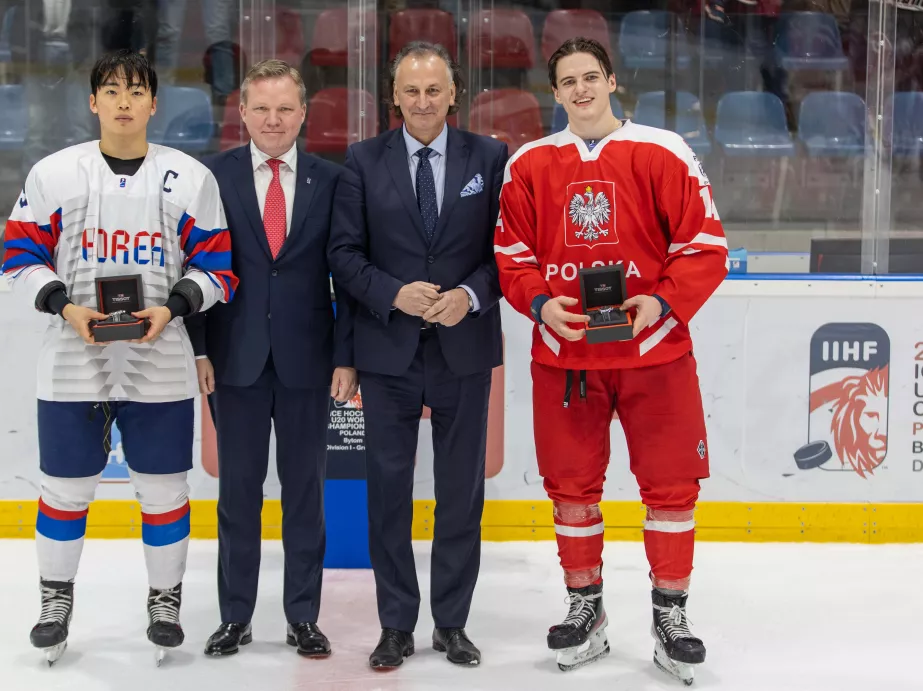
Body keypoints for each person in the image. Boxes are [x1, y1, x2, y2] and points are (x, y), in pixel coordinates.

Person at [493, 37, 728, 684]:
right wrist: (541, 305)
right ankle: (585, 606)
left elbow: (703, 244)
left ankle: (670, 612)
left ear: (612, 80)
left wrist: (663, 301)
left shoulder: (663, 150)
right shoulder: (529, 164)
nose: (581, 89)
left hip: (655, 353)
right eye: (568, 80)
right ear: (554, 91)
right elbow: (511, 254)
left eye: (590, 76)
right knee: (570, 488)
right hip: (567, 357)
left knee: (672, 488)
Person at [1, 49, 236, 667]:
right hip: (72, 355)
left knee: (163, 489)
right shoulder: (54, 173)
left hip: (160, 355)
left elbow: (218, 270)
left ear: (154, 103)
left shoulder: (190, 177)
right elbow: (19, 260)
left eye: (135, 91)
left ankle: (164, 601)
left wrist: (174, 307)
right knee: (64, 488)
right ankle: (55, 602)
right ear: (93, 102)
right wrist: (66, 307)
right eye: (111, 90)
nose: (123, 101)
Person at [328, 41, 507, 670]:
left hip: (464, 349)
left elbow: (508, 251)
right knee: (388, 495)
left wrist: (470, 295)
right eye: (411, 91)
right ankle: (396, 624)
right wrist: (393, 294)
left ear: (454, 93)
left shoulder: (490, 157)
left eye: (434, 90)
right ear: (394, 96)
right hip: (388, 354)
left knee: (460, 495)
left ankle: (451, 624)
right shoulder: (361, 160)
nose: (423, 102)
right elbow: (343, 255)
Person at [186, 59, 356, 660]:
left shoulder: (333, 180)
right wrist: (199, 348)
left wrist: (346, 356)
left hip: (310, 362)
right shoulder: (212, 177)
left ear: (304, 113)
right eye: (262, 108)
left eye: (285, 108)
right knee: (238, 494)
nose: (274, 119)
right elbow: (195, 268)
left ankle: (302, 617)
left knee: (306, 494)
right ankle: (235, 617)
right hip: (235, 360)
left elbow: (347, 276)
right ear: (243, 113)